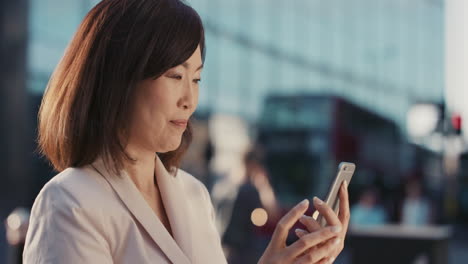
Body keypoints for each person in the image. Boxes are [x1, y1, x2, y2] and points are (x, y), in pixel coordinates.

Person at [22, 0, 350, 263]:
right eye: (175, 76)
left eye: (196, 80)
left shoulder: (193, 195)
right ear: (118, 81)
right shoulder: (70, 204)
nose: (189, 100)